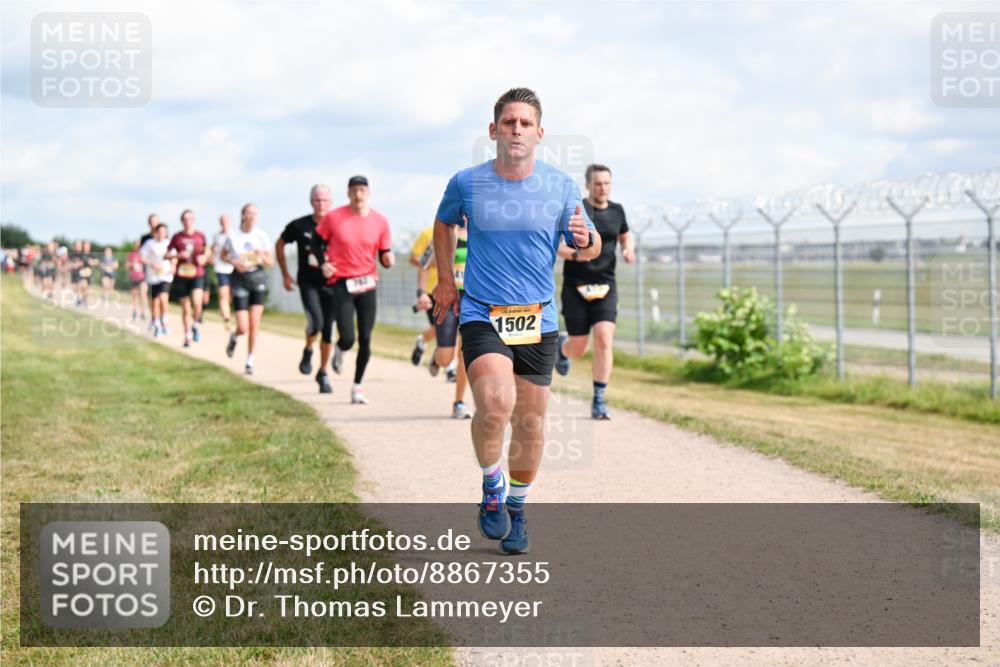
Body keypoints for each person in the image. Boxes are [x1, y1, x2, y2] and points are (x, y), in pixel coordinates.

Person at [431, 87, 600, 555]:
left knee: (529, 422)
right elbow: (443, 223)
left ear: (540, 133)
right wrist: (446, 280)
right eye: (509, 122)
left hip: (539, 318)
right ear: (493, 130)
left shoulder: (562, 187)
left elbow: (590, 245)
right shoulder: (467, 182)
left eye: (525, 123)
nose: (517, 130)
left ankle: (518, 507)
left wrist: (588, 242)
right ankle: (491, 487)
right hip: (483, 312)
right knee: (495, 403)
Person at [555, 164, 635, 419]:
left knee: (603, 337)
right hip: (575, 286)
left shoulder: (617, 210)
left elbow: (624, 235)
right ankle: (562, 346)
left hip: (605, 285)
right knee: (578, 348)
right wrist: (577, 255)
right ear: (588, 185)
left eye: (607, 183)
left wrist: (628, 249)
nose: (603, 188)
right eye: (598, 183)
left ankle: (599, 398)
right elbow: (556, 245)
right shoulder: (577, 211)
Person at [317, 175, 393, 405]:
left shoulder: (380, 221)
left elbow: (384, 252)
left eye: (362, 190)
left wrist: (388, 259)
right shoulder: (334, 217)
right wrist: (323, 263)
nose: (358, 195)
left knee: (366, 337)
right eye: (354, 191)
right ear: (348, 193)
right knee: (348, 337)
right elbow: (317, 243)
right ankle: (341, 349)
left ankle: (357, 386)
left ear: (368, 192)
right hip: (342, 283)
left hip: (368, 283)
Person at [276, 185, 336, 394]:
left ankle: (323, 372)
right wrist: (285, 273)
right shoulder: (299, 225)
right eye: (317, 200)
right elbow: (280, 244)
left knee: (328, 330)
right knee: (316, 323)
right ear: (311, 202)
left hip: (333, 284)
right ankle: (309, 348)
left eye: (325, 200)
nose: (321, 204)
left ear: (331, 203)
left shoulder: (338, 224)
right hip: (308, 282)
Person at [222, 203, 274, 375]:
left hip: (257, 278)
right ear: (243, 215)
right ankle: (235, 336)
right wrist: (234, 262)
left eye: (255, 214)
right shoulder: (233, 236)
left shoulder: (261, 236)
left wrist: (261, 256)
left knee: (254, 323)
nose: (252, 216)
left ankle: (250, 359)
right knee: (243, 326)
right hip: (239, 280)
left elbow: (270, 262)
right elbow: (223, 254)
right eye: (249, 213)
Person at [167, 210, 210, 348]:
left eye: (190, 218)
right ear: (182, 221)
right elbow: (167, 254)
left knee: (197, 303)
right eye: (185, 219)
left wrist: (204, 257)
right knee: (185, 308)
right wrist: (178, 256)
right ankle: (187, 336)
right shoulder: (177, 237)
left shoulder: (200, 235)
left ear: (194, 220)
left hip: (197, 273)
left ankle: (196, 324)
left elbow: (207, 250)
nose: (188, 221)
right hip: (182, 275)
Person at [409, 225, 438, 368]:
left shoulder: (470, 233)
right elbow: (415, 258)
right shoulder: (429, 233)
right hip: (432, 289)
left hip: (459, 289)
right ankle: (422, 341)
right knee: (440, 327)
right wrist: (435, 263)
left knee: (456, 329)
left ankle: (451, 368)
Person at [140, 223, 173, 336]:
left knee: (163, 298)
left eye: (164, 231)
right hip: (153, 276)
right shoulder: (149, 243)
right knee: (155, 301)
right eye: (160, 231)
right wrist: (152, 263)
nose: (162, 234)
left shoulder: (169, 243)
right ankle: (157, 323)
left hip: (166, 275)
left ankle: (164, 321)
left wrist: (173, 266)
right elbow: (142, 257)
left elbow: (174, 257)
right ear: (156, 232)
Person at [211, 214, 234, 332]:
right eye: (222, 221)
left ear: (229, 222)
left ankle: (226, 311)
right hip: (221, 269)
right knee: (223, 295)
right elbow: (212, 249)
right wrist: (212, 252)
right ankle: (227, 320)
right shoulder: (216, 236)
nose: (224, 223)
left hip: (234, 268)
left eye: (226, 221)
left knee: (230, 296)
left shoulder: (235, 234)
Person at [139, 214, 159, 327]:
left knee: (158, 296)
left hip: (160, 271)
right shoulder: (145, 238)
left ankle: (158, 318)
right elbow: (142, 255)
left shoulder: (165, 236)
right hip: (147, 269)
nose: (154, 224)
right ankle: (148, 314)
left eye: (156, 221)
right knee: (145, 292)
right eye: (152, 222)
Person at [126, 240, 147, 320]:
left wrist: (143, 262)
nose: (137, 246)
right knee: (134, 295)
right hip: (134, 277)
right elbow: (127, 265)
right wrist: (132, 264)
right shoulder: (131, 254)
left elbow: (148, 263)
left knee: (143, 294)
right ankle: (134, 311)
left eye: (139, 244)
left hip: (143, 277)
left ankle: (143, 312)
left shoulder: (144, 254)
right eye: (136, 244)